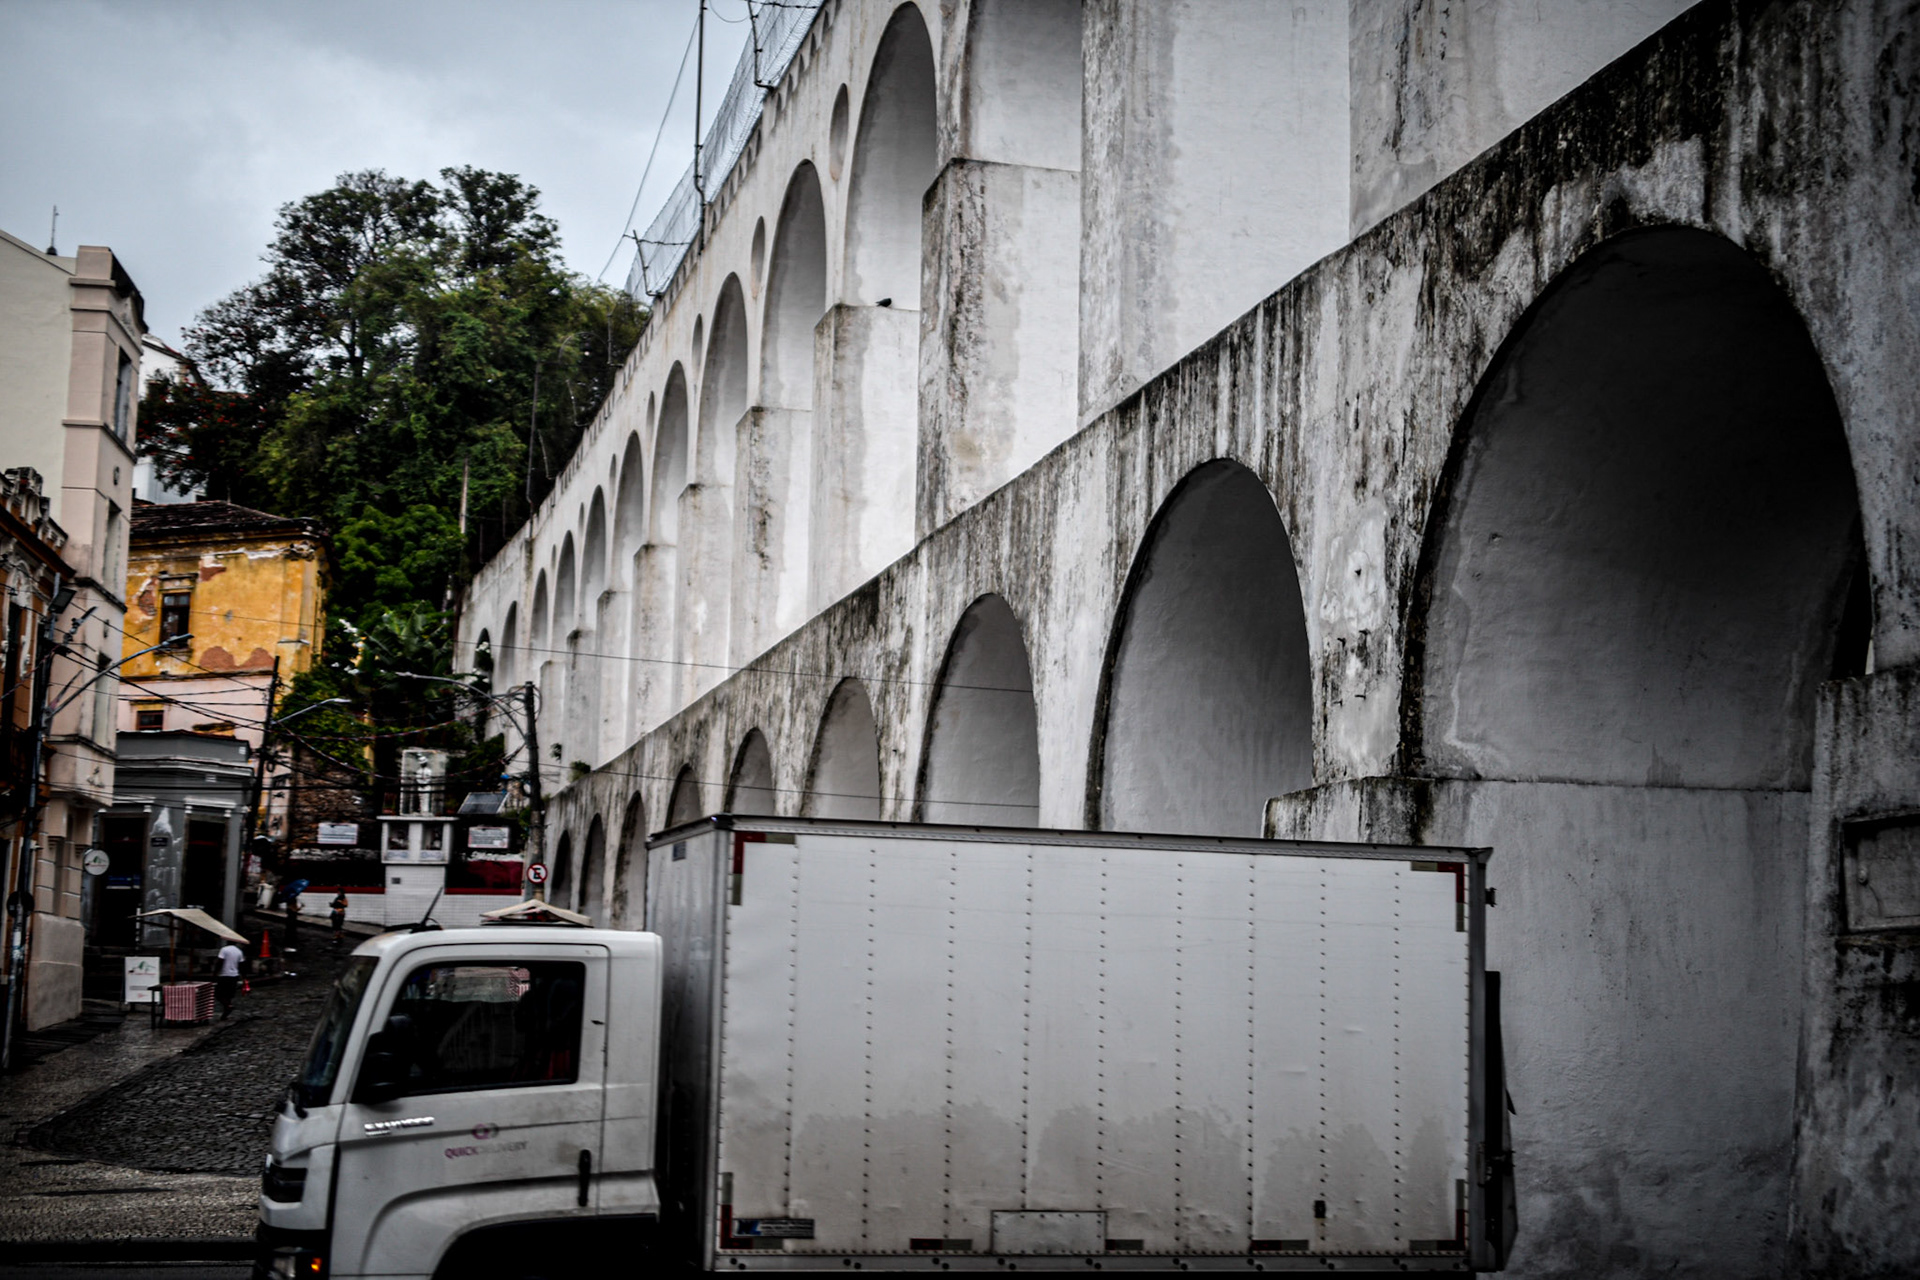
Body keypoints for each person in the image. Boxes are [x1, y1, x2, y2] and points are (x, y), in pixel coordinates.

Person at [215, 939, 245, 1018]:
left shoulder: (224, 950)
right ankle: (226, 1009)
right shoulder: (239, 951)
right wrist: (244, 977)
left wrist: (215, 973)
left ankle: (228, 1006)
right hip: (234, 975)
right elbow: (241, 965)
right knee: (228, 994)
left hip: (224, 975)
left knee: (218, 994)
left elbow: (220, 962)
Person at [283, 890, 300, 955]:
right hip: (291, 917)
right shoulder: (291, 899)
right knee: (290, 931)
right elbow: (293, 908)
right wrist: (297, 908)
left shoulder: (292, 898)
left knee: (291, 931)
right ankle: (289, 945)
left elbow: (295, 909)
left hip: (292, 917)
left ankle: (289, 944)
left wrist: (301, 907)